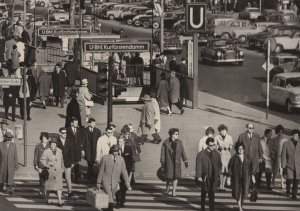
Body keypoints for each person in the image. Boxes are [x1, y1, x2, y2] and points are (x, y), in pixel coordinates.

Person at [96, 145, 131, 211]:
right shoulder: (105, 158)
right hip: (106, 180)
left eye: (117, 151)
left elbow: (124, 171)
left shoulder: (121, 159)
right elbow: (101, 170)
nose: (116, 153)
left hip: (115, 181)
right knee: (110, 197)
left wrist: (127, 182)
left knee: (111, 196)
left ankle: (108, 208)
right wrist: (98, 182)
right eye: (114, 151)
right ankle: (110, 209)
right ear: (111, 151)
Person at [195, 137, 222, 211]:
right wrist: (198, 176)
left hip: (213, 176)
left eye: (214, 145)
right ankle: (202, 207)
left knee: (212, 193)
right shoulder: (201, 154)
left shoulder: (217, 154)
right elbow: (198, 166)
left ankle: (211, 208)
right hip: (205, 176)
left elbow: (220, 165)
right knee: (204, 192)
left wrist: (218, 173)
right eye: (211, 145)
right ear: (207, 145)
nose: (213, 146)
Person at [228, 141, 256, 211]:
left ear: (244, 149)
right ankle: (240, 208)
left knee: (244, 193)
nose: (240, 150)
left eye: (242, 149)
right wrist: (228, 178)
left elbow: (251, 167)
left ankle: (241, 205)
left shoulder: (248, 157)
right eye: (239, 149)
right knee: (238, 193)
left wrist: (253, 176)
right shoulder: (234, 158)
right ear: (236, 149)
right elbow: (230, 168)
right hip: (236, 178)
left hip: (246, 178)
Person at [160, 128, 188, 197]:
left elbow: (182, 152)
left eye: (178, 134)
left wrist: (185, 160)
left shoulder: (179, 142)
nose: (177, 135)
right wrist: (162, 163)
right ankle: (167, 188)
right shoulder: (165, 143)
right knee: (169, 177)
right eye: (176, 134)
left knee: (176, 176)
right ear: (172, 135)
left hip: (177, 162)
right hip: (169, 162)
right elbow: (162, 154)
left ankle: (174, 191)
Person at [40, 137, 64, 206]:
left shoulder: (60, 151)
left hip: (58, 172)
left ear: (56, 144)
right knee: (48, 187)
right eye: (52, 144)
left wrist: (62, 169)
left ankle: (60, 201)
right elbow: (42, 160)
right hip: (50, 171)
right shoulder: (46, 151)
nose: (53, 145)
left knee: (59, 187)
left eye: (54, 144)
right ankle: (48, 199)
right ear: (50, 144)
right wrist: (47, 164)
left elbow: (62, 160)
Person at [56, 127, 78, 199]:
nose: (65, 134)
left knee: (68, 178)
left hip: (67, 162)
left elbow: (72, 152)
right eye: (63, 133)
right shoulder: (57, 141)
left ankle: (69, 191)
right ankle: (59, 191)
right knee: (58, 178)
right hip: (59, 163)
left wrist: (72, 162)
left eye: (65, 133)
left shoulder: (69, 141)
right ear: (59, 133)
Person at [116, 135, 134, 208]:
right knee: (117, 187)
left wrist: (128, 170)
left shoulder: (128, 148)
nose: (119, 143)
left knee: (123, 187)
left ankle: (122, 201)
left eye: (120, 141)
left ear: (124, 141)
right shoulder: (115, 148)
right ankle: (117, 202)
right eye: (118, 141)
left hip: (125, 171)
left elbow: (131, 160)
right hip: (116, 171)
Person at [281, 129, 300, 200]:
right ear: (292, 135)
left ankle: (294, 194)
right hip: (289, 165)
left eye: (298, 135)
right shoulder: (286, 143)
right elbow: (283, 155)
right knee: (289, 179)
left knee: (296, 180)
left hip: (298, 165)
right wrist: (283, 165)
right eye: (295, 135)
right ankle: (288, 190)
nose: (297, 137)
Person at [215, 124, 233, 191]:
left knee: (226, 171)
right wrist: (219, 147)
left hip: (227, 155)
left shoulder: (229, 137)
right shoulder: (217, 137)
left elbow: (231, 145)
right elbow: (215, 146)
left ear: (226, 131)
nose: (223, 132)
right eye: (222, 131)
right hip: (220, 155)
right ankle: (220, 185)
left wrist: (228, 147)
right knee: (221, 171)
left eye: (224, 131)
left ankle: (223, 185)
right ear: (219, 131)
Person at [66, 117, 84, 183]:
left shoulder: (79, 130)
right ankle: (69, 176)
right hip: (70, 149)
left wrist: (82, 149)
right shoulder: (67, 130)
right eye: (75, 122)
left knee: (77, 163)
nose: (77, 124)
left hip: (77, 149)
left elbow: (81, 140)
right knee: (71, 163)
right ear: (71, 123)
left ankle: (76, 177)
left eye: (77, 122)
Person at [270, 125, 288, 189]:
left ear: (282, 132)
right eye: (278, 132)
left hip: (283, 157)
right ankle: (272, 182)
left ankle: (282, 183)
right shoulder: (273, 140)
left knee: (282, 171)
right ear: (277, 132)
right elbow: (272, 149)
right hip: (276, 157)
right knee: (274, 170)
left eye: (281, 131)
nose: (280, 133)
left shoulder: (286, 140)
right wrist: (272, 156)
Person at [33, 132, 49, 198]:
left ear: (47, 139)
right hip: (40, 165)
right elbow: (36, 155)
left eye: (45, 138)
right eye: (43, 138)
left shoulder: (50, 145)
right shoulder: (38, 145)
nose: (44, 140)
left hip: (48, 165)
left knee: (47, 179)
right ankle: (41, 192)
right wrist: (35, 164)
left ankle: (46, 191)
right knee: (41, 179)